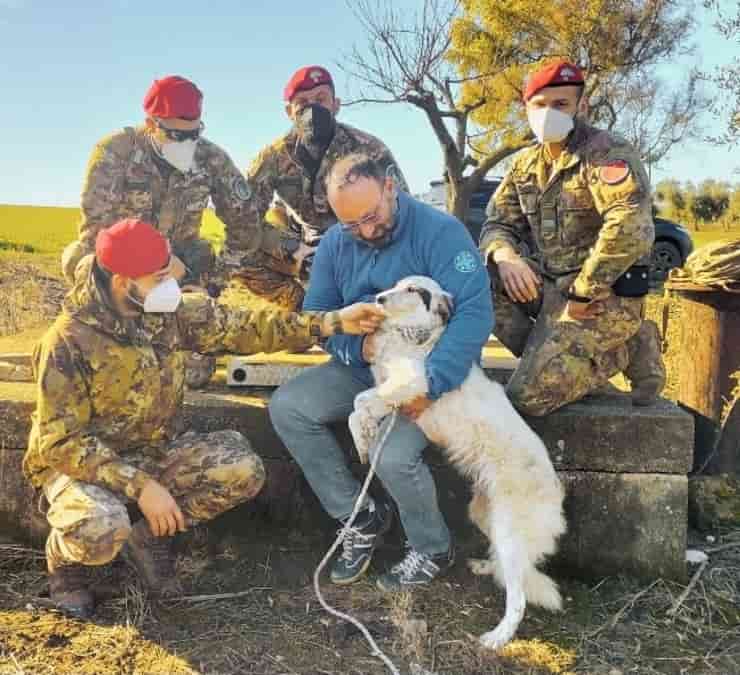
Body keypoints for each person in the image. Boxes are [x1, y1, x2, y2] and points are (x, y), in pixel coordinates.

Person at [26, 218, 384, 619]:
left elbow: (249, 327)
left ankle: (147, 538)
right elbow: (60, 442)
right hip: (82, 471)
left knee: (242, 469)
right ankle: (67, 567)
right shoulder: (66, 341)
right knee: (101, 526)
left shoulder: (168, 313)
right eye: (159, 277)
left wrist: (332, 322)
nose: (171, 284)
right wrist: (141, 486)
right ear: (122, 282)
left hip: (152, 452)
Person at [269, 154, 493, 592]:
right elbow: (319, 315)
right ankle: (360, 517)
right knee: (289, 407)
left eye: (371, 216)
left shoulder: (442, 232)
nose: (366, 231)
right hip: (366, 365)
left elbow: (475, 314)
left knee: (391, 454)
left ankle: (433, 549)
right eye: (352, 224)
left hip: (433, 368)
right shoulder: (335, 243)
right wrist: (355, 344)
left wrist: (433, 383)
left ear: (390, 187)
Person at [60, 75, 307, 386]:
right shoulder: (114, 152)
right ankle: (107, 329)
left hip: (182, 269)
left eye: (194, 133)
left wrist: (209, 286)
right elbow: (98, 232)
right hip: (123, 269)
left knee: (192, 375)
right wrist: (150, 277)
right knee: (78, 257)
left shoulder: (211, 158)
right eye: (175, 134)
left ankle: (166, 327)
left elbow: (245, 223)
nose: (186, 143)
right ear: (151, 124)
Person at [479, 60, 666, 417]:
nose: (549, 113)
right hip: (551, 290)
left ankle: (627, 344)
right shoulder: (524, 166)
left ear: (582, 106)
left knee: (526, 398)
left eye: (561, 104)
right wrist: (505, 257)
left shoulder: (606, 152)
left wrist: (586, 289)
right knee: (475, 279)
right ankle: (550, 354)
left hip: (600, 298)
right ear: (527, 109)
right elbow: (496, 224)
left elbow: (629, 225)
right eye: (540, 105)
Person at [219, 65, 408, 311]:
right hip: (308, 253)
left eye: (321, 99)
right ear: (289, 111)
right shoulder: (273, 158)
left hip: (363, 244)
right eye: (303, 102)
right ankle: (307, 314)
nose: (313, 109)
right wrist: (294, 249)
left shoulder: (368, 149)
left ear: (336, 104)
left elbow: (402, 208)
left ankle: (371, 303)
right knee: (238, 254)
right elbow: (243, 221)